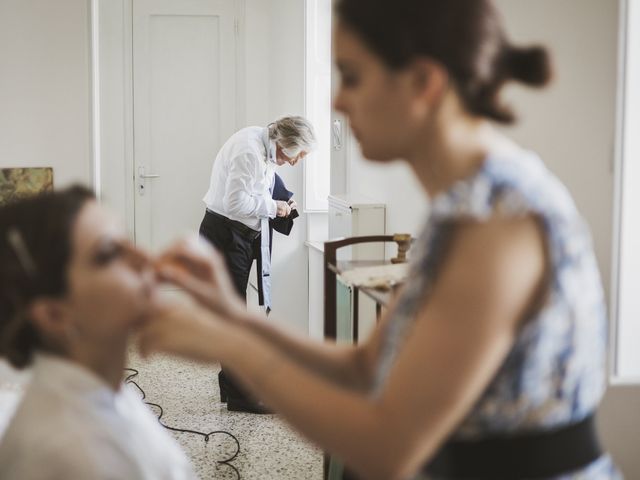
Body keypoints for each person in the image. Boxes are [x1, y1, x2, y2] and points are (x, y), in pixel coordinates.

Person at [137, 0, 620, 478]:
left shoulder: (494, 220)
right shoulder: (460, 209)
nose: (337, 102)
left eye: (351, 75)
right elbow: (367, 367)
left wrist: (233, 346)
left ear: (423, 82)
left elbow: (389, 447)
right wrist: (229, 314)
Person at [0, 186, 196, 480]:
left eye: (128, 240)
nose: (144, 258)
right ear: (55, 315)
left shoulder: (106, 392)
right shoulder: (72, 455)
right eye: (108, 254)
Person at [200, 115, 316, 413]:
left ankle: (231, 386)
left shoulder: (264, 143)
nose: (294, 163)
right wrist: (274, 207)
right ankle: (241, 396)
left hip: (243, 235)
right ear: (283, 143)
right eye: (296, 155)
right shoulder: (248, 151)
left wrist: (283, 201)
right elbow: (236, 202)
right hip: (226, 236)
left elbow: (260, 186)